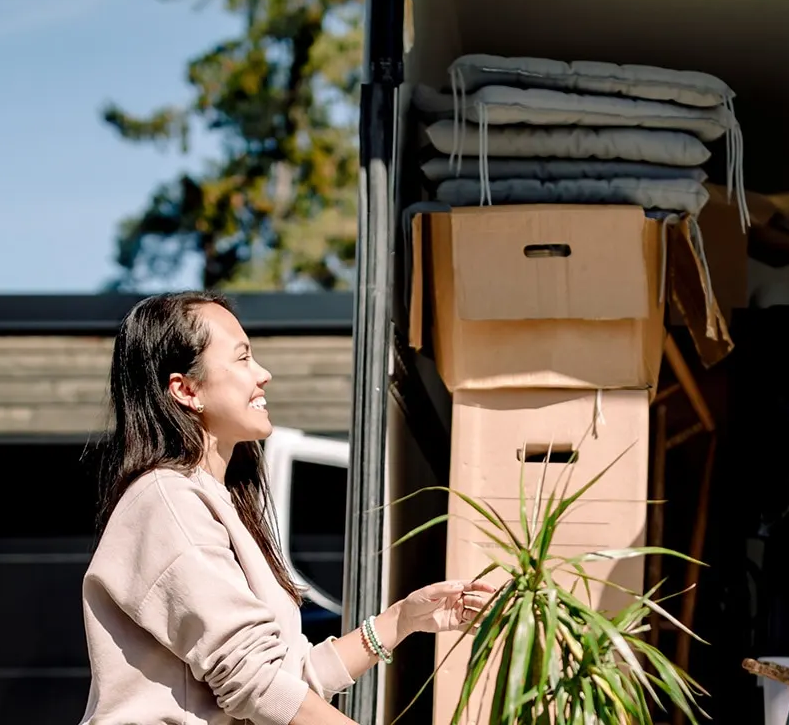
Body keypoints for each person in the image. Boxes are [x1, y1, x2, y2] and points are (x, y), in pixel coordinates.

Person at [79, 290, 498, 725]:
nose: (264, 374)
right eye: (242, 359)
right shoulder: (167, 501)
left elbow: (286, 682)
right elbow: (254, 683)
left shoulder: (221, 502)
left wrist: (402, 619)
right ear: (186, 390)